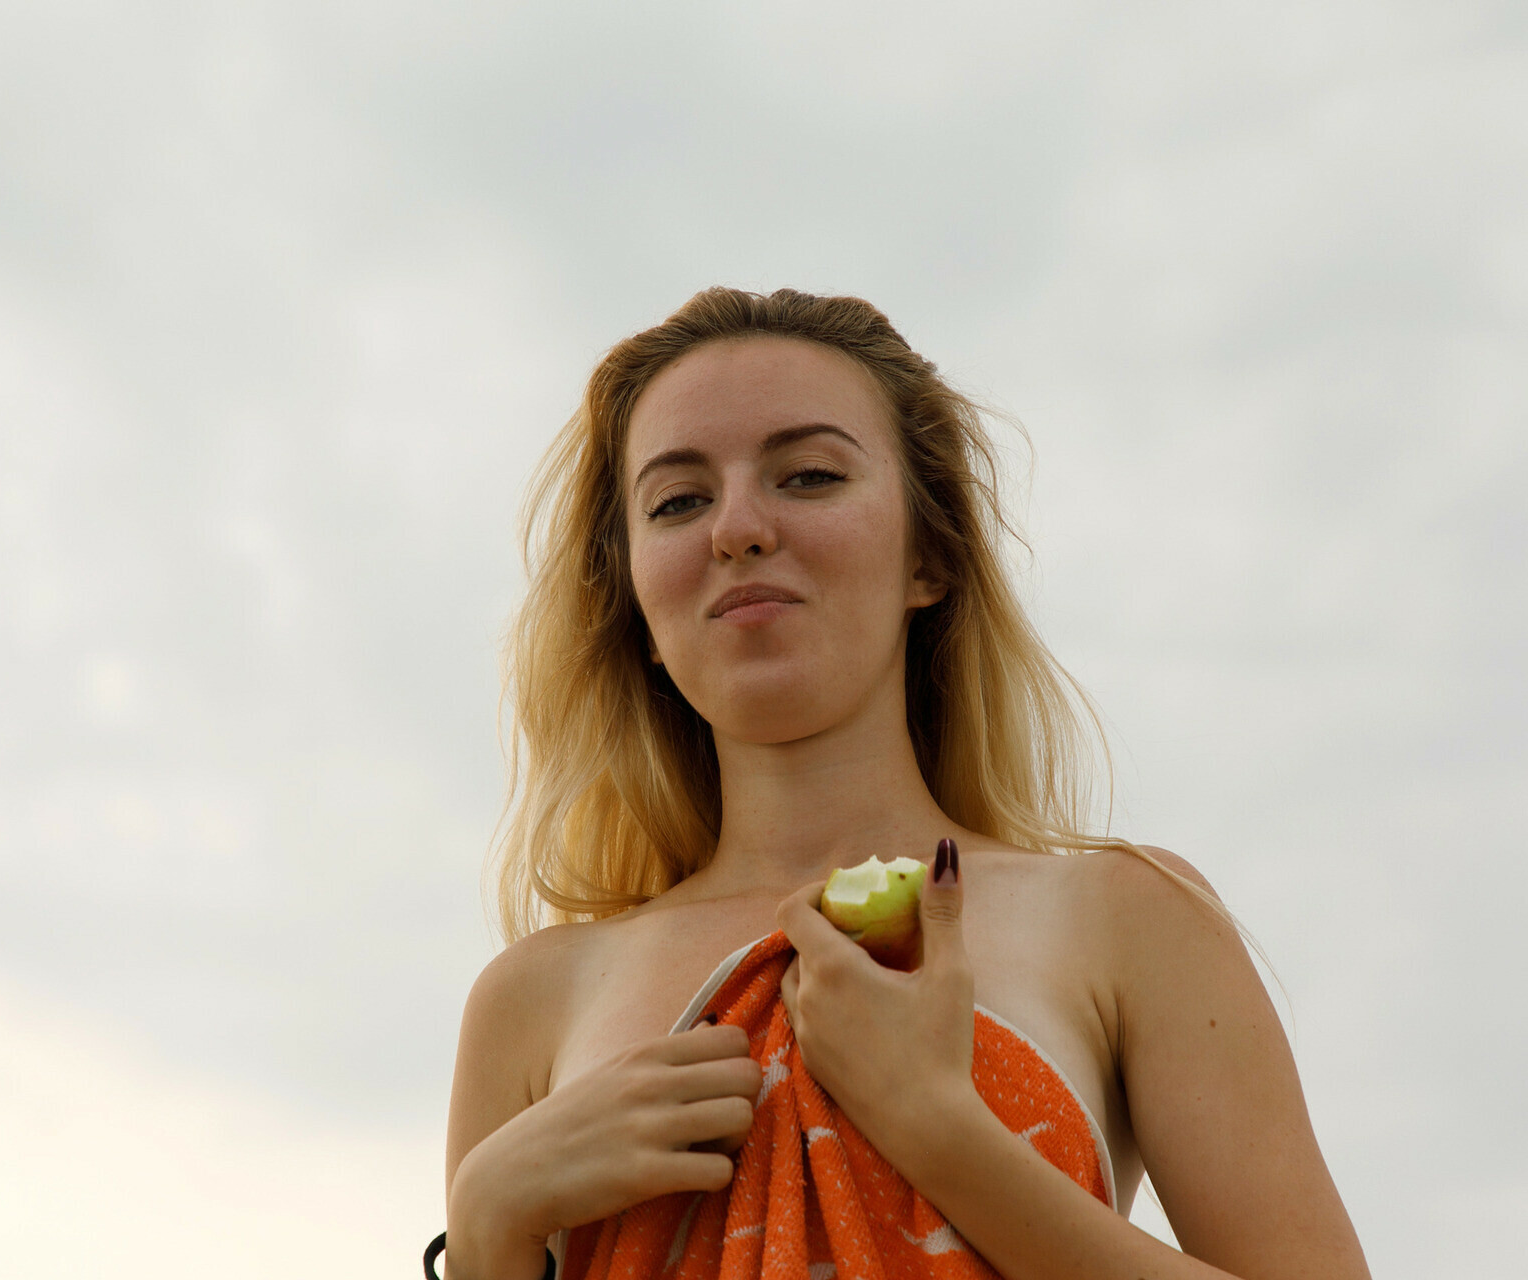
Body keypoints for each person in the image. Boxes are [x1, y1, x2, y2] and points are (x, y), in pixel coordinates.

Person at [438, 287, 1371, 1280]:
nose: (737, 527)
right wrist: (487, 1230)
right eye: (678, 501)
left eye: (808, 476)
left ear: (929, 555)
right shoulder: (530, 1000)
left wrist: (937, 1128)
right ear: (635, 601)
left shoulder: (1130, 918)